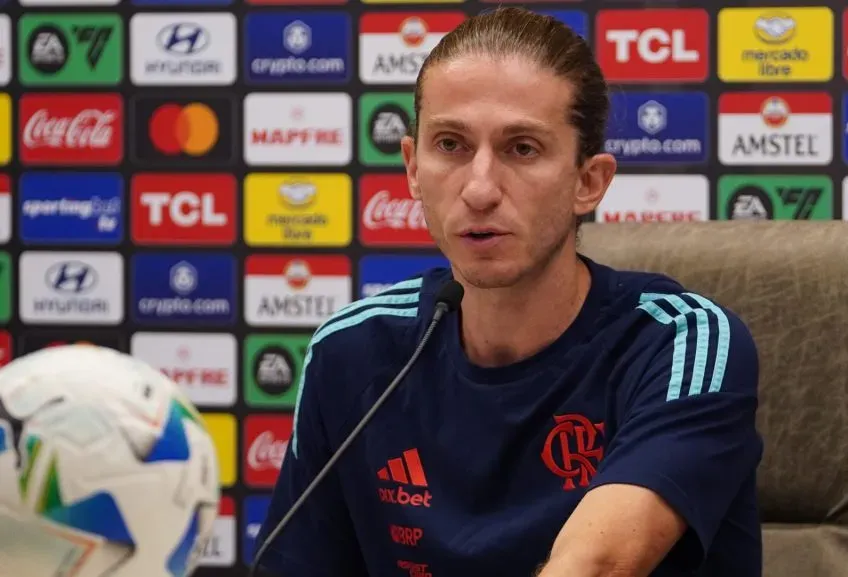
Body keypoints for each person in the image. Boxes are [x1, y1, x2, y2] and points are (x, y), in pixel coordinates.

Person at [256, 7, 763, 576]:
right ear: (412, 169)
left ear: (588, 182)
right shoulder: (353, 351)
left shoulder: (681, 343)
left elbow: (596, 566)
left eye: (522, 148)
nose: (478, 188)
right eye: (450, 145)